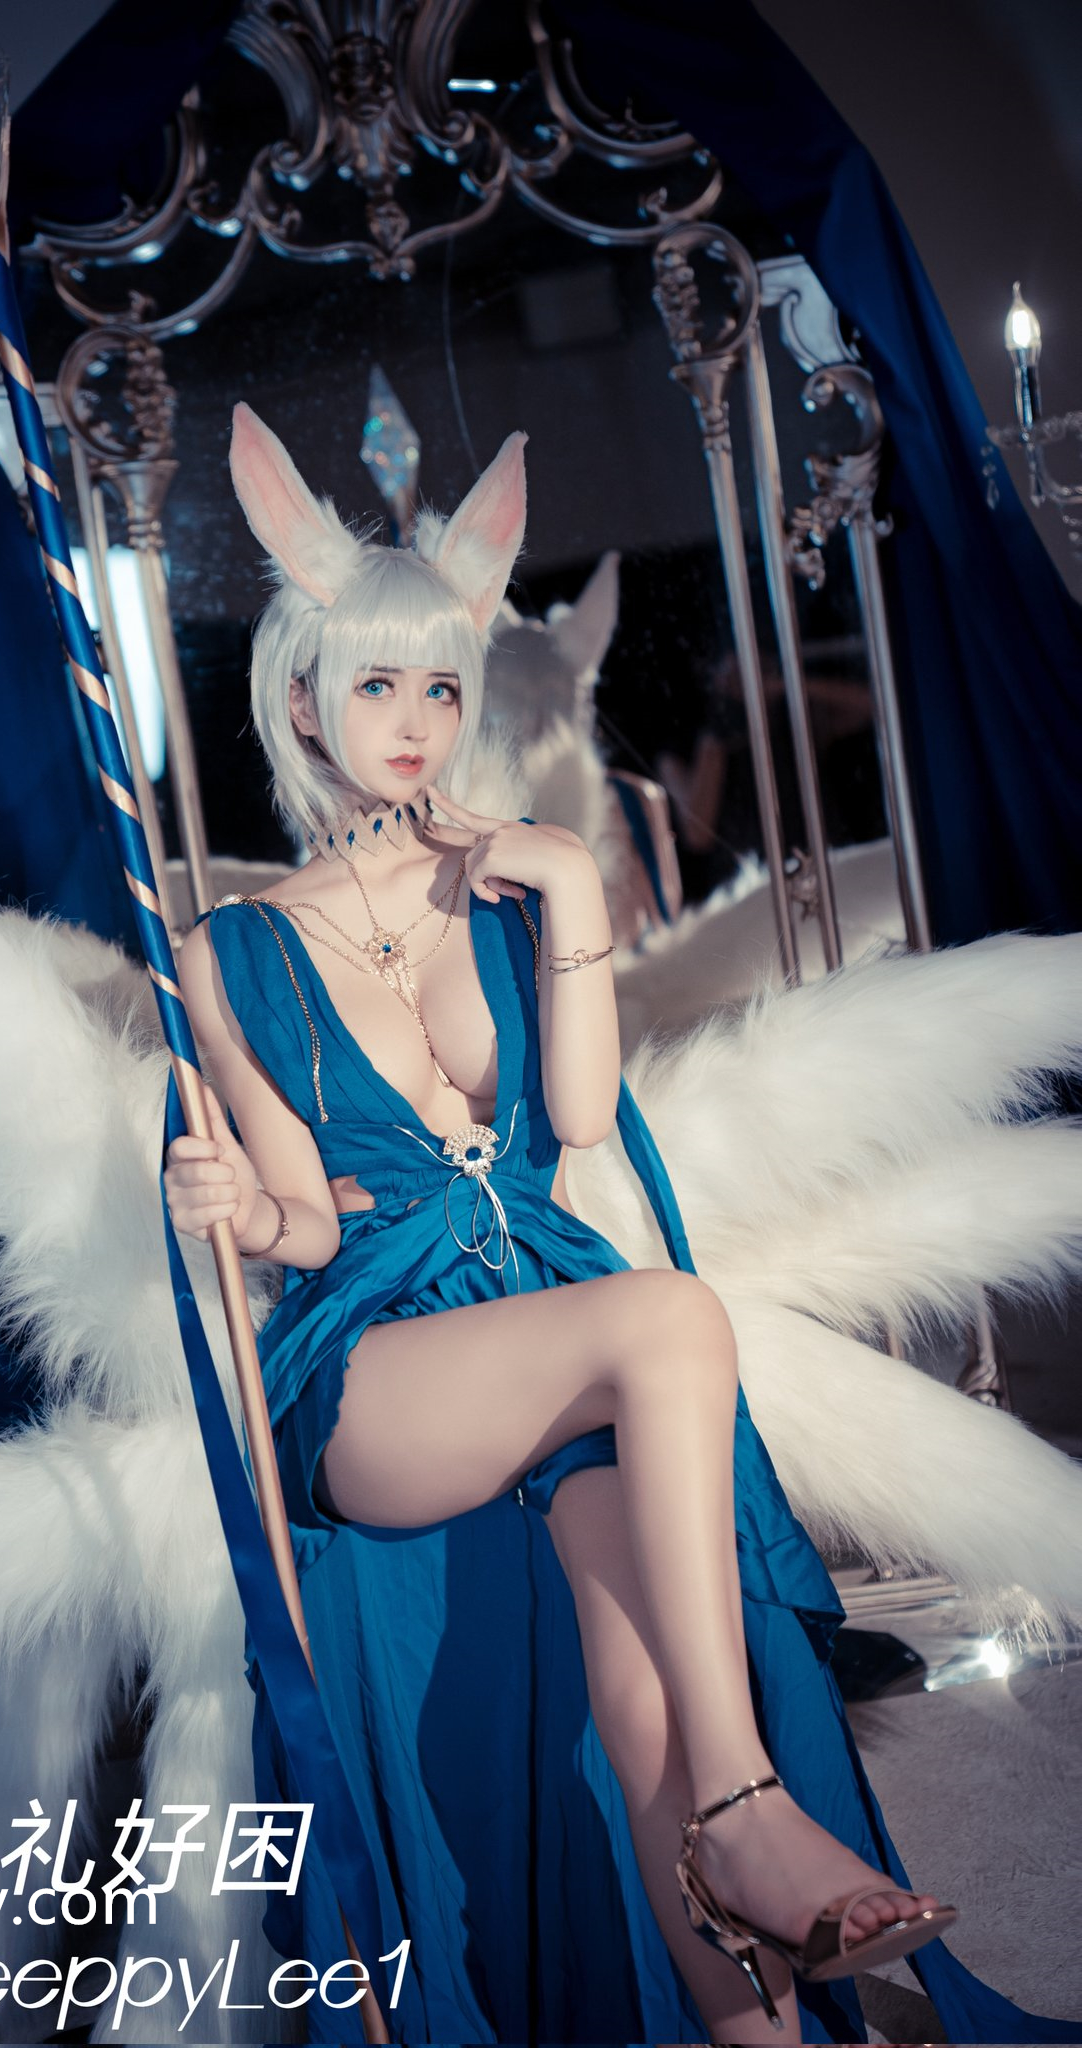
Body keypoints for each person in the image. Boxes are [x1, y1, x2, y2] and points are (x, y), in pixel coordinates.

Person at [162, 404, 1068, 2046]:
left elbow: (578, 1122)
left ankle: (748, 2012)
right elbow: (307, 1222)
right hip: (378, 1370)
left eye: (444, 686)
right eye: (380, 686)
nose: (419, 723)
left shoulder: (516, 893)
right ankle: (751, 1808)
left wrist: (572, 886)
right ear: (302, 700)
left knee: (642, 1661)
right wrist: (233, 1202)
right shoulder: (234, 951)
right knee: (670, 1317)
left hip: (550, 1319)